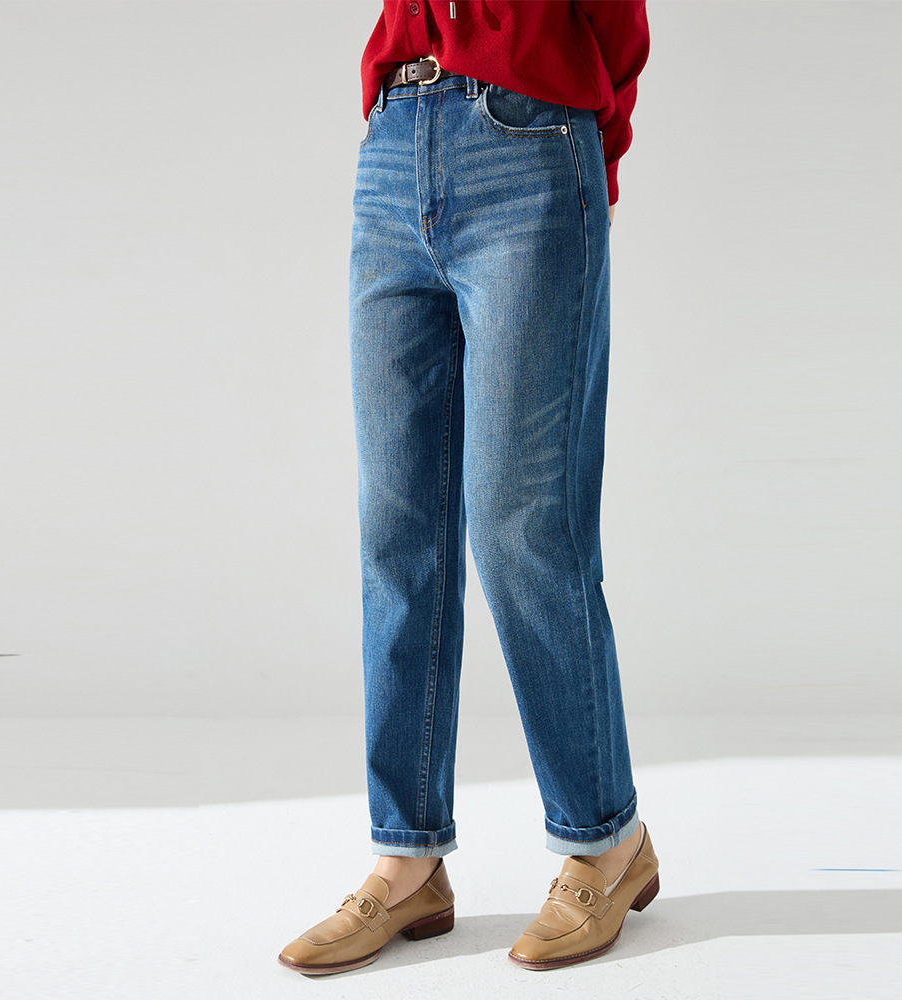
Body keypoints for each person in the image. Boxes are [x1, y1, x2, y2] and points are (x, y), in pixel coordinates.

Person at [279, 0, 655, 975]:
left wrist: (589, 151)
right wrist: (390, 117)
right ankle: (406, 859)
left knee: (521, 525)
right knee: (395, 528)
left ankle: (605, 839)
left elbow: (618, 25)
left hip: (530, 144)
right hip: (393, 143)